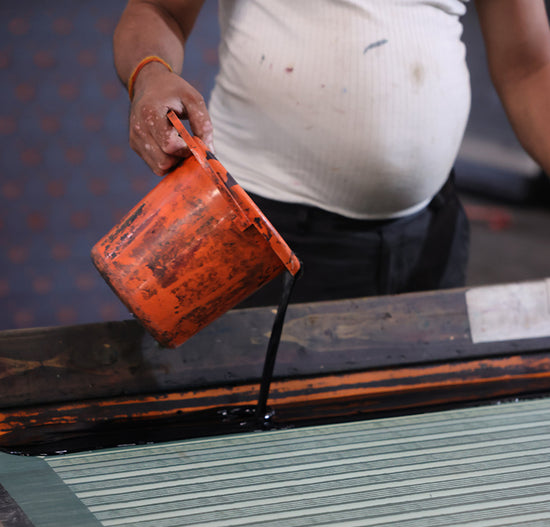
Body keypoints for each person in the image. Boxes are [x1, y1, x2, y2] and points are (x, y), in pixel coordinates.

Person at [112, 0, 550, 304]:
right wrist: (149, 74)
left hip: (429, 232)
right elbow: (156, 9)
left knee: (416, 427)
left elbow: (529, 67)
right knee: (258, 427)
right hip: (263, 230)